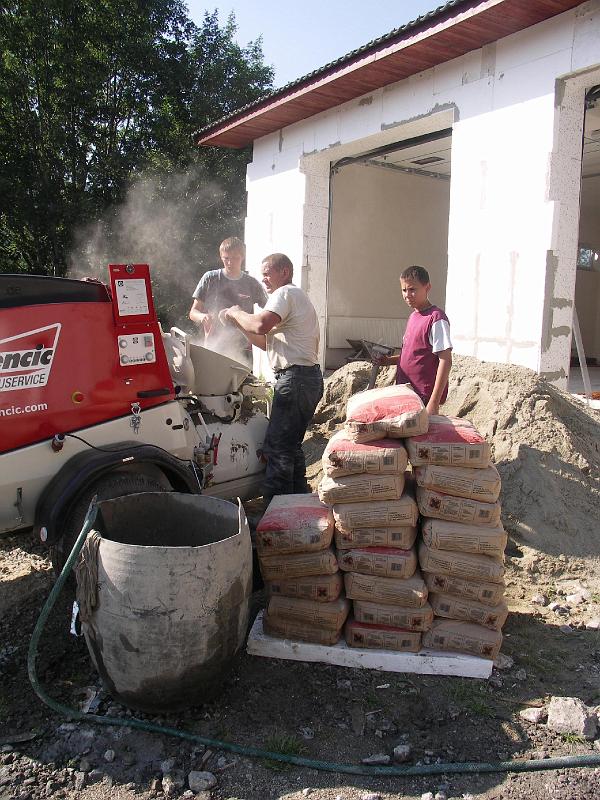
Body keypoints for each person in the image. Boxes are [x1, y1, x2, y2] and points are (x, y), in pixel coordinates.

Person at [220, 253, 323, 506]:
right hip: (305, 378)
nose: (263, 279)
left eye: (267, 273)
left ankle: (277, 510)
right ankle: (299, 504)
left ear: (284, 272)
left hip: (296, 380)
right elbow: (264, 341)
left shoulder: (285, 293)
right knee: (291, 447)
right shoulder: (295, 298)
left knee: (277, 448)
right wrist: (239, 323)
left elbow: (260, 325)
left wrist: (235, 313)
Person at [374, 265, 452, 415]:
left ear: (427, 287)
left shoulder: (436, 318)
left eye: (412, 289)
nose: (407, 295)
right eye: (404, 290)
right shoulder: (413, 317)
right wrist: (388, 361)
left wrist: (433, 402)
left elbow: (445, 360)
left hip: (423, 397)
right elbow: (413, 356)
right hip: (407, 394)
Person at [189, 237, 267, 368]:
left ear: (242, 257)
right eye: (226, 258)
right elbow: (193, 312)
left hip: (243, 349)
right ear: (221, 257)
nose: (230, 262)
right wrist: (202, 317)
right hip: (214, 346)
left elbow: (269, 311)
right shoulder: (210, 278)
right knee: (213, 380)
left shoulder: (251, 283)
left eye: (235, 258)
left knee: (242, 381)